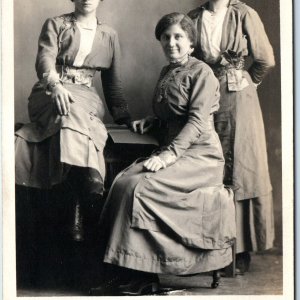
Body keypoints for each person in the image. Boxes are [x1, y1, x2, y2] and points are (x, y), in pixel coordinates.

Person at [90, 12, 236, 296]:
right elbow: (173, 113)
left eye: (178, 37)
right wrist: (152, 121)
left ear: (191, 42)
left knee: (139, 187)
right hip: (176, 151)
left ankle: (146, 276)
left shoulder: (203, 73)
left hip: (200, 157)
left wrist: (168, 156)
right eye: (166, 37)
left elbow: (195, 122)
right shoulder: (167, 71)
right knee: (122, 180)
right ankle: (122, 271)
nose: (172, 43)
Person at [14, 0, 131, 287]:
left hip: (86, 97)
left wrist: (126, 118)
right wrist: (55, 85)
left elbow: (112, 86)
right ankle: (88, 176)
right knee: (68, 112)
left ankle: (76, 191)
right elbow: (44, 61)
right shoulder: (55, 24)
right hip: (48, 94)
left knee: (76, 111)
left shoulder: (109, 35)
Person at [188, 0, 275, 273]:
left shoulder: (244, 13)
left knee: (238, 165)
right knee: (206, 159)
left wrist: (248, 82)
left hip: (237, 95)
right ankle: (207, 246)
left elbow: (265, 59)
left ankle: (238, 250)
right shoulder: (194, 16)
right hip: (204, 92)